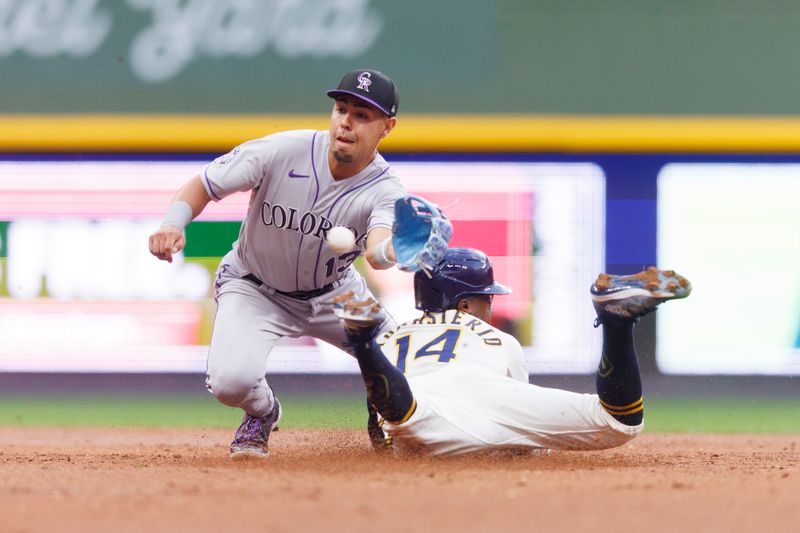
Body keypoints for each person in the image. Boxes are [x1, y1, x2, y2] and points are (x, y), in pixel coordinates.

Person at [148, 69, 406, 459]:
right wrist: (172, 222)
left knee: (406, 357)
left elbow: (377, 250)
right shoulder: (283, 150)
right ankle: (262, 412)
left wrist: (396, 252)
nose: (347, 123)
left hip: (337, 293)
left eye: (362, 115)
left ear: (387, 127)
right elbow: (203, 184)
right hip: (254, 286)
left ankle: (381, 410)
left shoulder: (385, 188)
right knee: (230, 383)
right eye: (341, 109)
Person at [333, 248, 692, 456]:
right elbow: (522, 434)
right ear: (464, 305)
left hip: (414, 395)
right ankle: (616, 322)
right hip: (486, 394)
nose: (491, 306)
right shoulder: (498, 338)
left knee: (406, 418)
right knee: (619, 422)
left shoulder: (392, 336)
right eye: (486, 298)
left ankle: (362, 344)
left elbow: (377, 435)